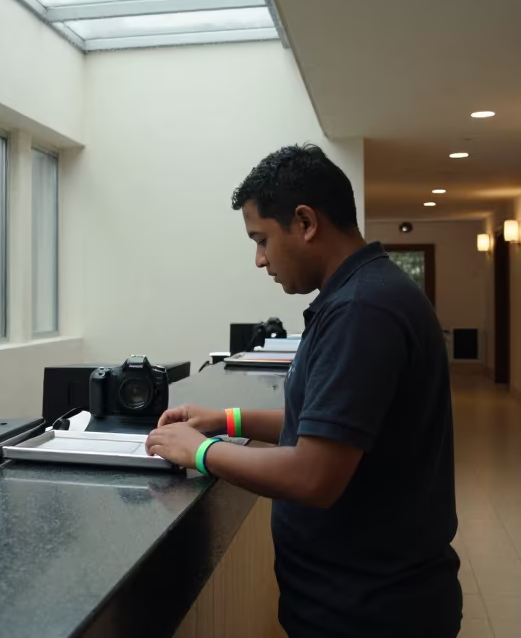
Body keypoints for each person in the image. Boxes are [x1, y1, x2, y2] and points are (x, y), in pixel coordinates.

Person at [145, 144, 460, 637]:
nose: (258, 259)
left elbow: (314, 474)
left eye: (262, 239)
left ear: (306, 222)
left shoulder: (362, 310)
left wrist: (201, 451)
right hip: (357, 601)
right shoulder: (361, 294)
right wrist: (225, 420)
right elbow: (329, 424)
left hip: (371, 612)